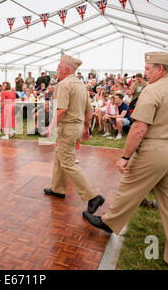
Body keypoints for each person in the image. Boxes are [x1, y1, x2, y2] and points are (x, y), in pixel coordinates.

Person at [82, 52, 168, 270]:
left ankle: (110, 222)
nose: (144, 74)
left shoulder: (153, 90)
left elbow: (139, 128)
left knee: (130, 187)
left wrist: (125, 157)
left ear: (160, 69)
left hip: (156, 149)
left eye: (147, 69)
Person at [43, 54, 105, 214]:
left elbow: (62, 110)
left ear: (66, 69)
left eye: (58, 67)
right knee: (60, 157)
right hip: (76, 127)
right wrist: (86, 128)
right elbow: (88, 110)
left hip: (68, 127)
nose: (56, 70)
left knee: (68, 162)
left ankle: (93, 196)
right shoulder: (81, 85)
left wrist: (51, 127)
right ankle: (58, 189)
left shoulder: (64, 85)